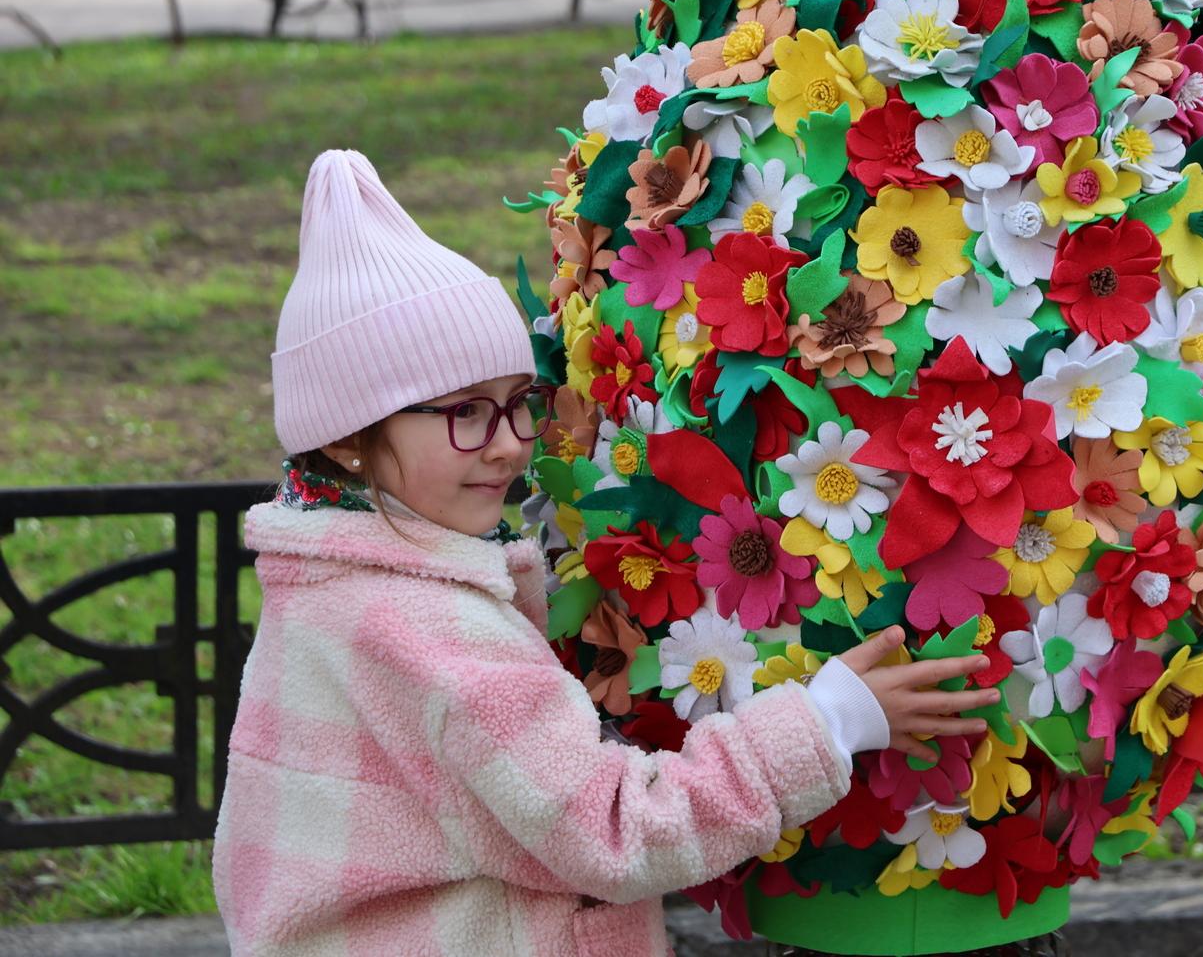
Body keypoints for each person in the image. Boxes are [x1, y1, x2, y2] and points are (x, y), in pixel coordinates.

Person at [212, 149, 1000, 956]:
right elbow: (619, 831)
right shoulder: (428, 627)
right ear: (347, 439)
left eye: (518, 403)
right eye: (465, 414)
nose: (510, 445)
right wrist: (828, 721)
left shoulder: (328, 584)